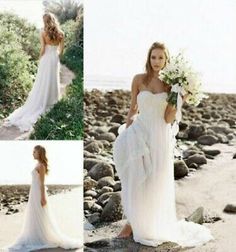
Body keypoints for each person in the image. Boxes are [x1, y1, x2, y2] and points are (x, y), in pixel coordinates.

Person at [113, 42, 214, 248]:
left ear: (166, 60)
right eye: (153, 57)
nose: (156, 61)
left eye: (160, 58)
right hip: (139, 132)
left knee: (154, 180)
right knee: (136, 177)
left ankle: (144, 223)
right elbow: (133, 108)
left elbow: (168, 118)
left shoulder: (170, 85)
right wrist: (127, 130)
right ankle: (132, 222)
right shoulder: (138, 79)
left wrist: (181, 98)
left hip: (159, 134)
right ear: (148, 59)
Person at [3, 145, 82, 251]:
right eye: (33, 151)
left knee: (40, 214)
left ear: (40, 153)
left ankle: (42, 236)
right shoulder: (37, 164)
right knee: (34, 214)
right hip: (34, 192)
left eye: (34, 152)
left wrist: (43, 197)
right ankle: (36, 234)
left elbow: (42, 183)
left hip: (38, 193)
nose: (33, 153)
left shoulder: (41, 166)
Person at [3, 13, 64, 132]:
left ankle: (42, 100)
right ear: (53, 20)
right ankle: (52, 101)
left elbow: (42, 49)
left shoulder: (43, 32)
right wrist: (56, 56)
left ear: (45, 21)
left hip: (46, 58)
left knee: (42, 80)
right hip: (54, 59)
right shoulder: (61, 33)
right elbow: (61, 50)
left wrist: (39, 59)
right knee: (52, 79)